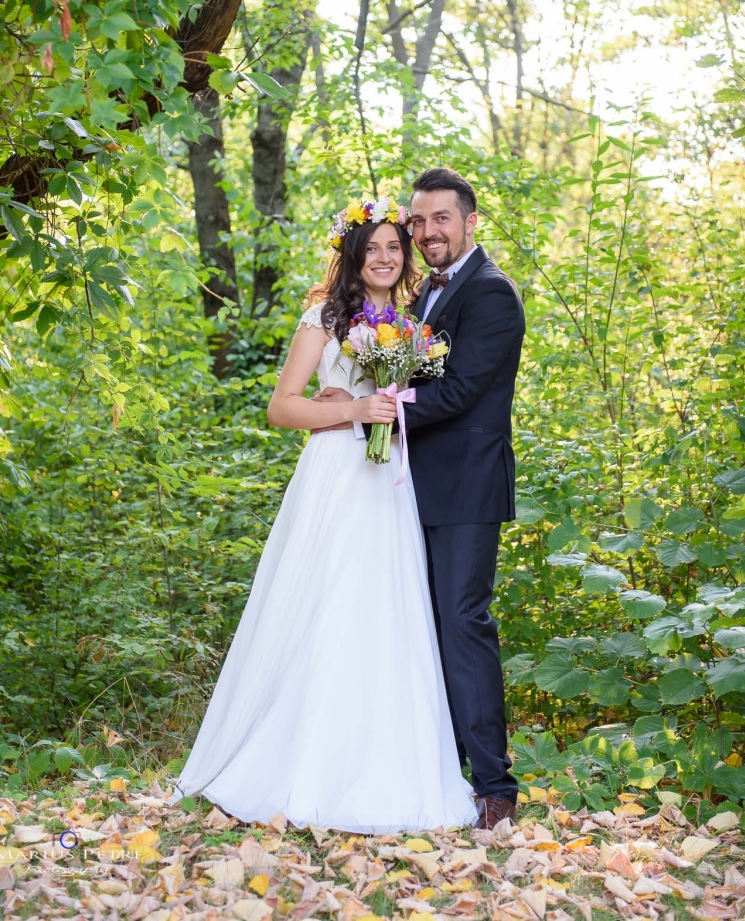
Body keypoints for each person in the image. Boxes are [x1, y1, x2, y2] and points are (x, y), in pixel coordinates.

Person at [168, 197, 479, 834]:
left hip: (391, 485)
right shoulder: (325, 317)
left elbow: (423, 398)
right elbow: (283, 408)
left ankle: (385, 768)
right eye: (374, 249)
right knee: (325, 609)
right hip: (337, 478)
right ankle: (298, 763)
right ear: (353, 257)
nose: (386, 258)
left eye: (396, 247)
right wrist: (350, 411)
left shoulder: (417, 323)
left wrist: (386, 403)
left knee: (387, 617)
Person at [318, 168, 525, 829]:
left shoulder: (489, 294)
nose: (428, 231)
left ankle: (494, 787)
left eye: (441, 218)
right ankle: (436, 771)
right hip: (409, 486)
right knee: (420, 630)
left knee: (463, 625)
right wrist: (357, 395)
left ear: (468, 222)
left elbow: (459, 393)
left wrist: (368, 411)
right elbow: (414, 369)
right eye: (419, 220)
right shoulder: (426, 299)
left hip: (463, 488)